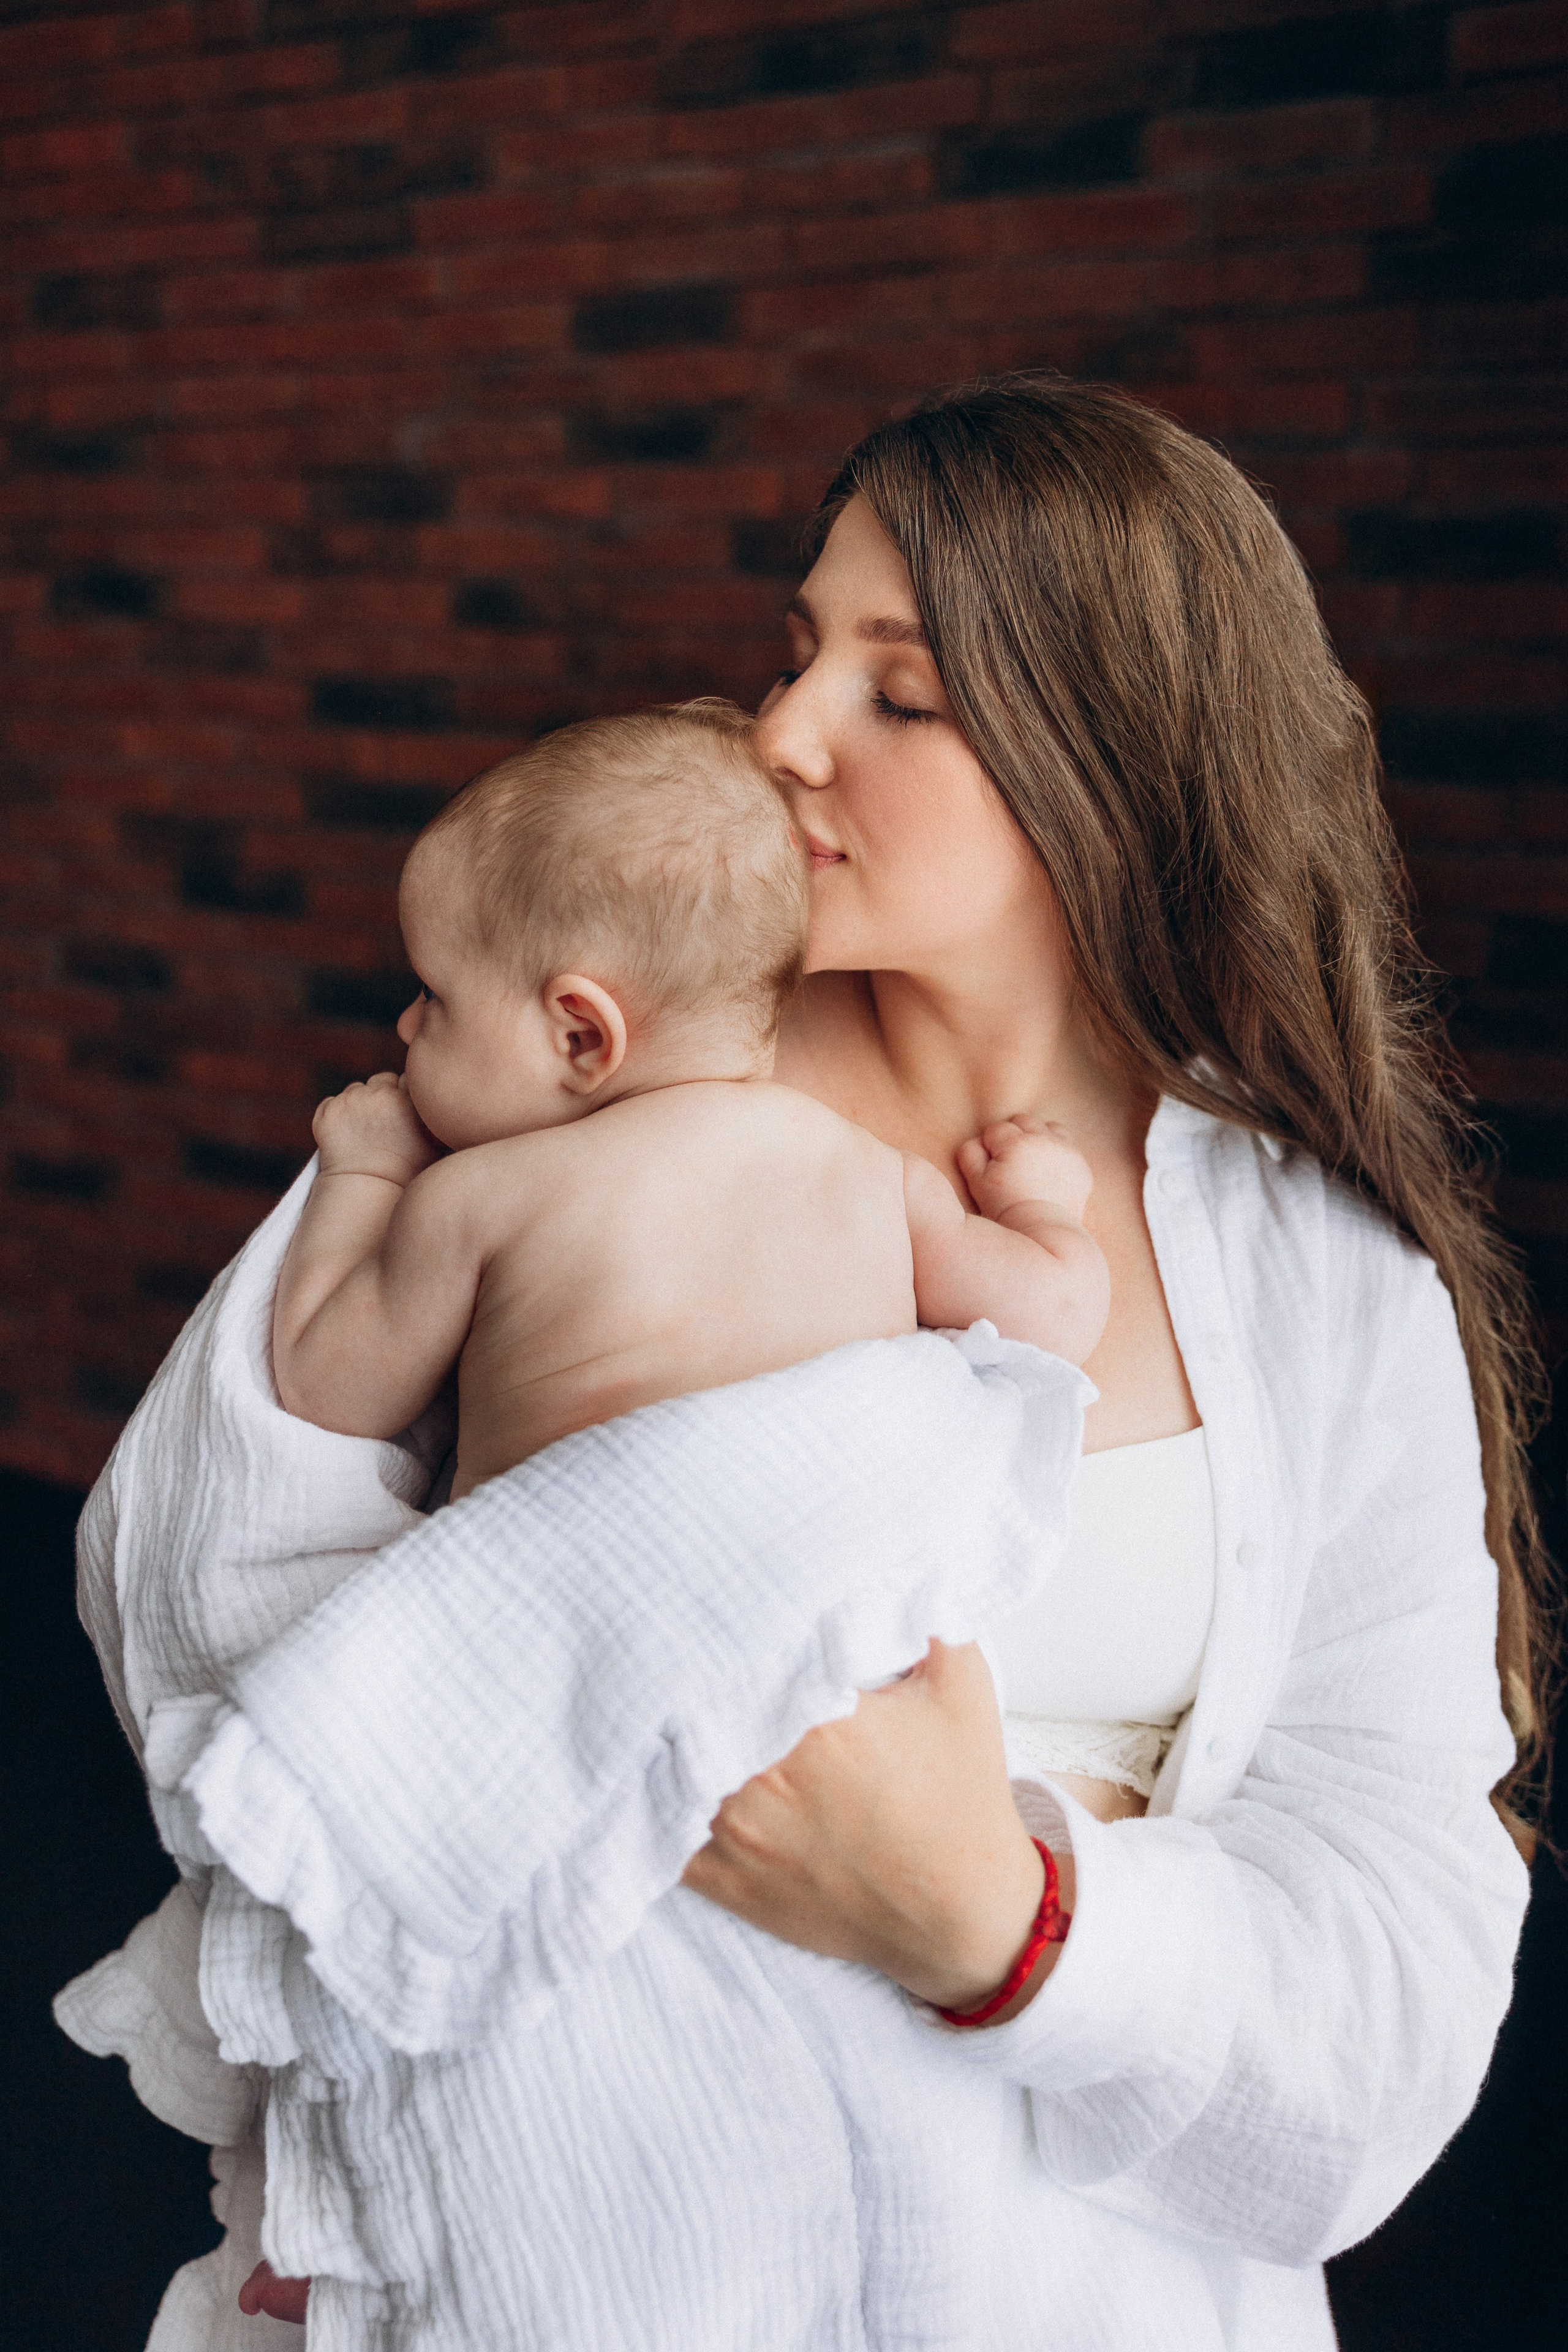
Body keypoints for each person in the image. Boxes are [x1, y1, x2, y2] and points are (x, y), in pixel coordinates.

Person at [667, 372, 1547, 2344]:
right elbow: (197, 1578)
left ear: (1111, 760)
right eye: (799, 651)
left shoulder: (1329, 1282)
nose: (783, 734)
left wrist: (996, 1911)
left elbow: (1392, 1997)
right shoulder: (616, 1066)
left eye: (899, 695)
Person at [271, 701, 1108, 1491]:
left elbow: (323, 1390)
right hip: (820, 1601)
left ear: (582, 1036)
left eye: (436, 996)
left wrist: (366, 1175)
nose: (407, 1025)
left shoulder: (472, 1198)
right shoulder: (867, 1170)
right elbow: (1054, 1318)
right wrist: (1040, 1203)